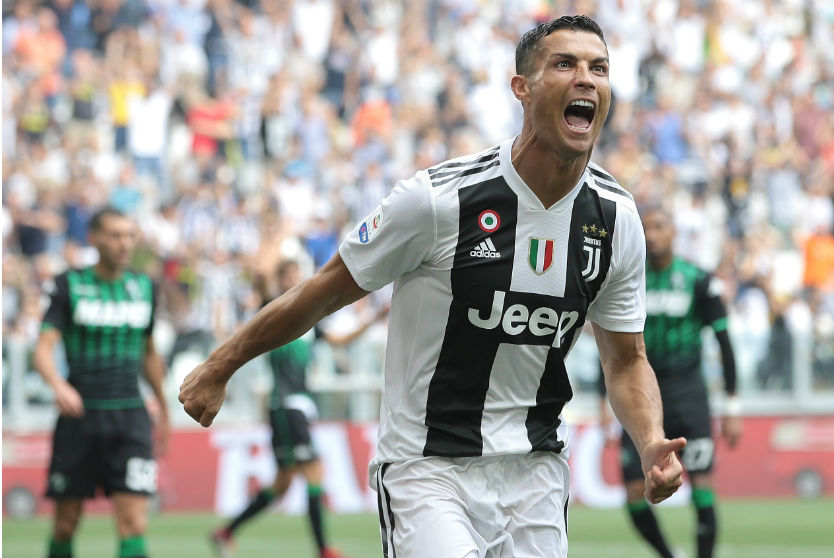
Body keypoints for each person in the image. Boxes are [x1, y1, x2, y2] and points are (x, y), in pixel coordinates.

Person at [180, 15, 685, 558]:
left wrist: (650, 437)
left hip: (536, 472)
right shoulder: (441, 201)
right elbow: (325, 290)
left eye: (599, 68)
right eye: (565, 63)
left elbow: (626, 358)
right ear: (522, 87)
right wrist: (221, 364)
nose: (586, 78)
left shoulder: (615, 219)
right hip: (428, 468)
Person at [599, 205, 740, 558]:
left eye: (660, 226)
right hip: (641, 395)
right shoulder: (630, 279)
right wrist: (604, 400)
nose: (652, 235)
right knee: (633, 494)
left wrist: (733, 405)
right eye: (646, 228)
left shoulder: (699, 280)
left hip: (689, 394)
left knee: (703, 486)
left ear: (674, 232)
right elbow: (612, 349)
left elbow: (724, 343)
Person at [35, 207, 169, 558]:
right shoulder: (69, 284)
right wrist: (58, 385)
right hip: (80, 418)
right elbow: (43, 349)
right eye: (114, 235)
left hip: (131, 418)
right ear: (93, 238)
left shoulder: (144, 287)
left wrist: (166, 408)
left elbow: (150, 352)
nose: (124, 244)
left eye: (129, 235)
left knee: (134, 524)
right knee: (66, 524)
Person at [210, 260, 341, 558]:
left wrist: (373, 318)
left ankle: (225, 532)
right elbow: (266, 294)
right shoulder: (277, 310)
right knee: (314, 472)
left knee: (282, 485)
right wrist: (260, 280)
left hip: (296, 406)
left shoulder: (309, 319)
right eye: (291, 274)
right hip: (286, 405)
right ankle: (323, 550)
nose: (297, 278)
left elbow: (340, 340)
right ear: (281, 279)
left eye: (299, 273)